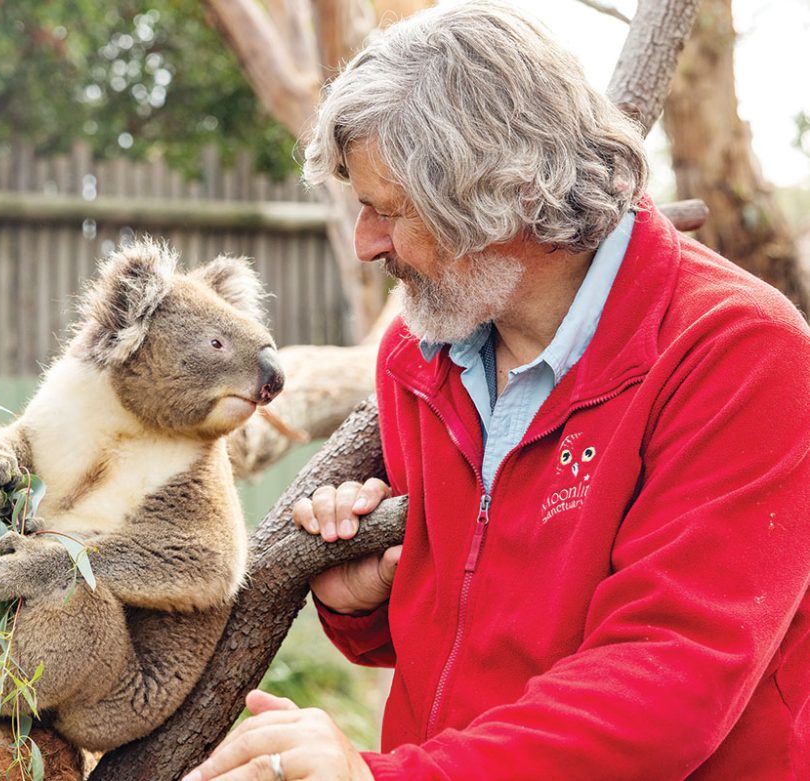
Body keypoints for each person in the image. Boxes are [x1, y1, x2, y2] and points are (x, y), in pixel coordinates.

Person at [183, 2, 810, 780]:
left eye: (389, 211)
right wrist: (369, 600)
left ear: (500, 197)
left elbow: (668, 683)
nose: (366, 242)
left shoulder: (739, 353)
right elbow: (477, 614)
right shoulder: (420, 354)